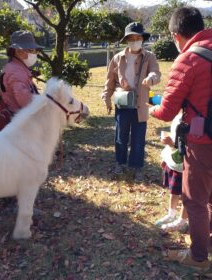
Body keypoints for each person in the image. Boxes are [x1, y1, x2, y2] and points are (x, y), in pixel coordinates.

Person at [150, 7, 212, 271]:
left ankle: (198, 258)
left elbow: (166, 111)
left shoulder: (188, 59)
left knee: (195, 200)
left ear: (176, 35)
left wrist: (151, 107)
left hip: (202, 142)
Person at [101, 22, 161, 182]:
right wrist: (106, 96)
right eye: (131, 38)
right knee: (120, 136)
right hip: (122, 104)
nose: (135, 41)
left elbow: (156, 72)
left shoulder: (149, 56)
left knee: (138, 138)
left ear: (142, 39)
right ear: (127, 40)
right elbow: (110, 80)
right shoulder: (117, 57)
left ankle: (137, 167)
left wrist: (151, 78)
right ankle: (119, 162)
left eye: (138, 38)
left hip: (141, 105)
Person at [0, 30, 43, 131]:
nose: (35, 54)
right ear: (19, 51)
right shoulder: (16, 72)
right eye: (31, 50)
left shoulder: (16, 67)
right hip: (20, 129)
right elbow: (26, 102)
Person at [155, 113, 188, 232]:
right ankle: (171, 213)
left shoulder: (193, 118)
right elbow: (174, 135)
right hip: (175, 162)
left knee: (186, 195)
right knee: (174, 190)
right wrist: (165, 157)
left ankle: (182, 221)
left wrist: (172, 143)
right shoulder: (178, 116)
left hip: (187, 165)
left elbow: (189, 145)